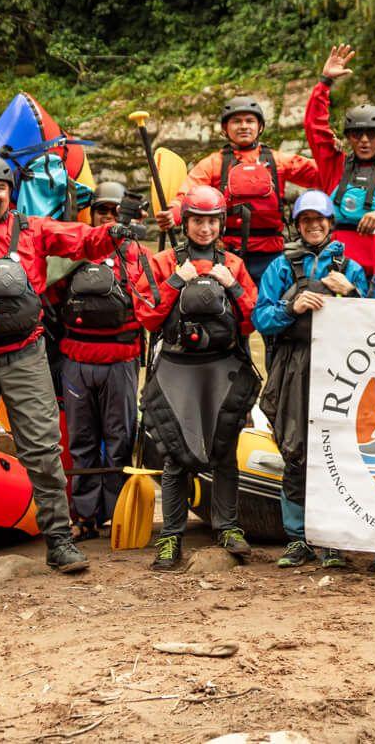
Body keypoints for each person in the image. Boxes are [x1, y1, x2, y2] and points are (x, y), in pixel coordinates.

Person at [0, 153, 128, 579]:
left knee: (42, 449)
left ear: (10, 194)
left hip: (25, 353)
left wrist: (114, 233)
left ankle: (58, 540)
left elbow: (82, 240)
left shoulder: (34, 229)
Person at [137, 186, 262, 571]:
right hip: (177, 369)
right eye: (197, 220)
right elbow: (146, 315)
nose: (204, 228)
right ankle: (172, 535)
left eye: (211, 220)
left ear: (220, 222)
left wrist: (234, 285)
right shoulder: (163, 262)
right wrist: (177, 281)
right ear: (186, 221)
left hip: (221, 368)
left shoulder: (233, 264)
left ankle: (227, 526)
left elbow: (252, 318)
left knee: (223, 450)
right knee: (176, 453)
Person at [252, 189, 374, 569]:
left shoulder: (349, 267)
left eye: (320, 220)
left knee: (336, 448)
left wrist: (350, 293)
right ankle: (297, 537)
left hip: (340, 367)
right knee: (295, 448)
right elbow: (261, 317)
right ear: (298, 225)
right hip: (294, 363)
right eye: (306, 221)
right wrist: (292, 306)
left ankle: (333, 538)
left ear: (330, 222)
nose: (314, 226)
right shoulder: (281, 267)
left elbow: (374, 321)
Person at [50, 180, 154, 540]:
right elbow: (49, 292)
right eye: (102, 211)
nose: (108, 217)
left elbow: (151, 305)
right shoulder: (74, 251)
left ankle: (116, 514)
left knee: (119, 439)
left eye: (114, 211)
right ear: (91, 213)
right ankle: (84, 516)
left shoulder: (138, 254)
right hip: (76, 360)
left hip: (121, 359)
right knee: (81, 442)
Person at [185, 95, 321, 284]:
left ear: (260, 127)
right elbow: (187, 194)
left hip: (271, 255)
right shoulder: (213, 164)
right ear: (225, 128)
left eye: (250, 121)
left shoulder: (278, 161)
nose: (243, 126)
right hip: (226, 254)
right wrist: (173, 213)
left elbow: (323, 174)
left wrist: (334, 155)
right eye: (236, 121)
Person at [303, 44, 375, 274]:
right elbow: (314, 127)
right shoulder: (334, 165)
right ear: (349, 137)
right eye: (357, 134)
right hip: (334, 265)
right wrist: (324, 83)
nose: (365, 140)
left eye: (373, 134)